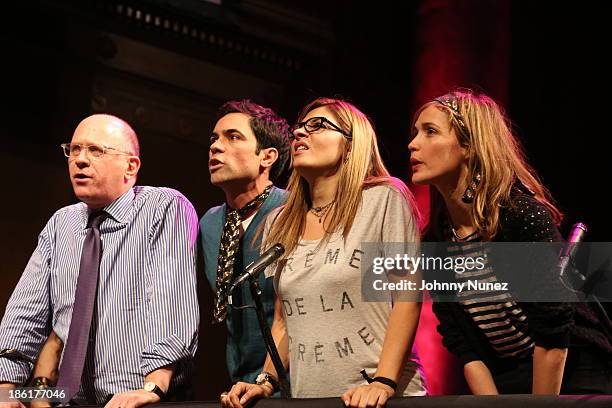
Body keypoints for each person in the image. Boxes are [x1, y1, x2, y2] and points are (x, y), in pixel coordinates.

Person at [221, 97, 427, 408]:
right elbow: (284, 320)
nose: (300, 133)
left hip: (378, 397)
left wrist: (383, 382)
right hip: (311, 399)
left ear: (350, 144)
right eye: (300, 127)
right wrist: (265, 381)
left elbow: (407, 297)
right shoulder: (281, 220)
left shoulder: (383, 199)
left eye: (317, 126)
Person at [408, 89, 612, 394]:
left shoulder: (519, 216)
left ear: (469, 146)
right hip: (507, 376)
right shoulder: (435, 241)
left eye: (430, 132)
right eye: (416, 132)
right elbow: (463, 343)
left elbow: (553, 329)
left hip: (572, 371)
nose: (413, 143)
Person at [0, 114, 199, 407]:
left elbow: (169, 302)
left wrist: (153, 387)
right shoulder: (61, 224)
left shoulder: (162, 207)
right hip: (67, 400)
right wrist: (6, 387)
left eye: (95, 150)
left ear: (130, 166)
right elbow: (24, 314)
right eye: (74, 149)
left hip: (142, 398)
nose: (80, 160)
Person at [200, 100, 290, 385]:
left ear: (267, 156)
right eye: (214, 138)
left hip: (292, 384)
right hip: (239, 384)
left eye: (233, 137)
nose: (215, 146)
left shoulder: (292, 211)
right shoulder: (209, 224)